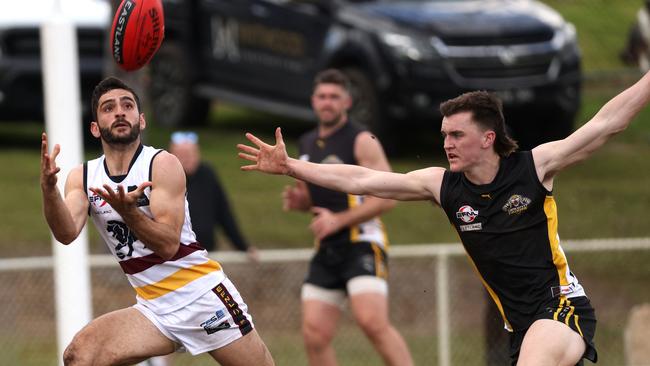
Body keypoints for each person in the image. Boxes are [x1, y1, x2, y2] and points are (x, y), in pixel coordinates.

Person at [237, 72, 650, 365]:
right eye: (444, 135)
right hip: (520, 327)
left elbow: (607, 123)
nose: (446, 143)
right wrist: (293, 166)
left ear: (488, 139)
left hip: (561, 309)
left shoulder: (535, 167)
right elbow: (363, 178)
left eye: (457, 136)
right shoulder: (442, 186)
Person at [40, 76, 274, 366]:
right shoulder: (83, 177)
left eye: (127, 105)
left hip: (201, 296)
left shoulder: (161, 164)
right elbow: (65, 233)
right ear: (94, 127)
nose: (119, 112)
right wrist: (49, 190)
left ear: (142, 119)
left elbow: (167, 244)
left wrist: (130, 213)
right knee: (79, 355)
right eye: (108, 108)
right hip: (154, 307)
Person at [279, 69, 413, 366]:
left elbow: (389, 196)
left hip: (361, 242)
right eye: (322, 96)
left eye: (334, 97)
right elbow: (316, 199)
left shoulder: (361, 140)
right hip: (327, 246)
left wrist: (338, 220)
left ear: (347, 102)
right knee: (314, 333)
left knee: (372, 322)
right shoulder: (307, 143)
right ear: (313, 101)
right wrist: (300, 202)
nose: (327, 103)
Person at [169, 131, 259, 261]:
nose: (187, 158)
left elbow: (223, 213)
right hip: (175, 255)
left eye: (191, 153)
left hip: (206, 253)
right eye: (182, 155)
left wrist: (243, 247)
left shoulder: (207, 174)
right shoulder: (165, 179)